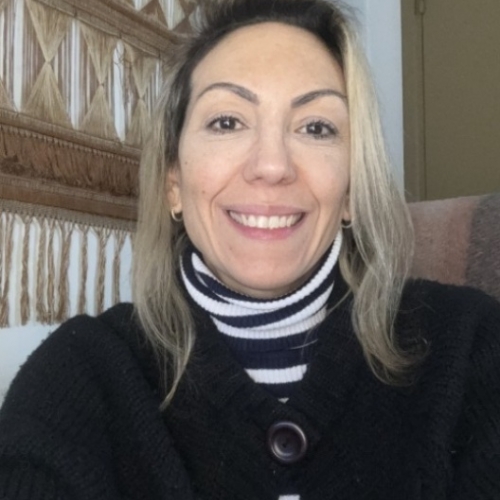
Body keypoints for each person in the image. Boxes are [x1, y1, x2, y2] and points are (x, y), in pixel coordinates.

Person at [0, 0, 499, 498]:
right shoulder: (78, 373)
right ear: (173, 182)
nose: (272, 165)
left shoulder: (472, 345)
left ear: (350, 190)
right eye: (227, 122)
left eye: (316, 127)